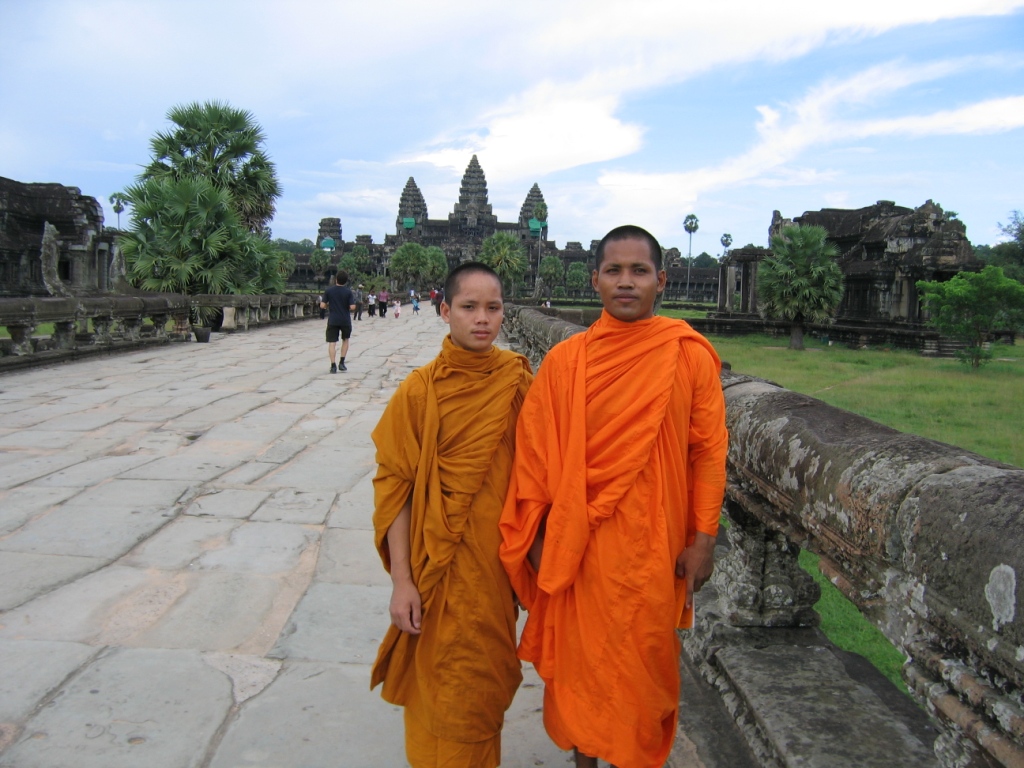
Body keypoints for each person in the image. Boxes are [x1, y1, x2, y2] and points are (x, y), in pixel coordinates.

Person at [499, 225, 729, 768]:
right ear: (595, 280)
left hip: (654, 551)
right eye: (614, 271)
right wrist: (536, 543)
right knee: (582, 669)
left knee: (644, 670)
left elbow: (708, 453)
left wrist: (704, 540)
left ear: (661, 281)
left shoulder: (687, 355)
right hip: (580, 551)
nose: (626, 282)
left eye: (639, 271)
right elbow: (534, 461)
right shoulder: (565, 362)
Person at [371, 262, 533, 768]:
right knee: (437, 693)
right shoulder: (418, 392)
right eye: (469, 307)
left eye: (493, 307)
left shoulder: (518, 384)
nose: (482, 319)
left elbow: (544, 480)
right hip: (432, 574)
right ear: (445, 311)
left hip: (492, 575)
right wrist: (402, 582)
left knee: (477, 699)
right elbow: (393, 492)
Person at [319, 270, 356, 373]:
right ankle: (342, 363)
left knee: (332, 343)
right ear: (346, 281)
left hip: (333, 319)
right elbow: (352, 307)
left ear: (336, 279)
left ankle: (333, 365)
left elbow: (322, 305)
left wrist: (329, 305)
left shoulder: (329, 291)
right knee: (345, 340)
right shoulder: (348, 292)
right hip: (345, 319)